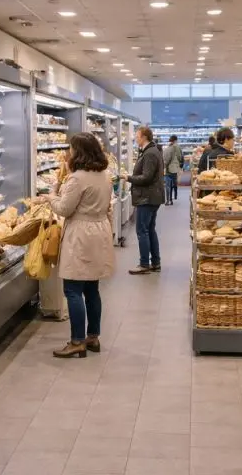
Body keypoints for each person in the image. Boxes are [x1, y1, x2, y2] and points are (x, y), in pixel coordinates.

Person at [31, 133, 115, 358]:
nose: (70, 153)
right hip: (99, 231)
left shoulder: (78, 178)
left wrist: (49, 196)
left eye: (72, 149)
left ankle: (77, 341)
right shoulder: (105, 175)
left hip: (81, 235)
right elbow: (107, 206)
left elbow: (64, 209)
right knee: (92, 289)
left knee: (73, 290)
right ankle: (93, 337)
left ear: (80, 151)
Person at [122, 125, 164, 274]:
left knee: (142, 231)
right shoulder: (151, 151)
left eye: (137, 136)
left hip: (147, 197)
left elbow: (146, 177)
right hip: (151, 196)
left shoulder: (150, 153)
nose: (135, 138)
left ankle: (144, 264)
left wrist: (128, 177)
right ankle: (156, 262)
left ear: (144, 137)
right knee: (150, 229)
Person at [163, 135, 182, 205]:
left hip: (167, 169)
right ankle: (173, 197)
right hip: (174, 169)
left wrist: (165, 166)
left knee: (168, 185)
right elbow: (180, 157)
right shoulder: (177, 147)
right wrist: (179, 163)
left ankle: (168, 200)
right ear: (175, 140)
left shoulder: (166, 149)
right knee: (173, 184)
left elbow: (165, 160)